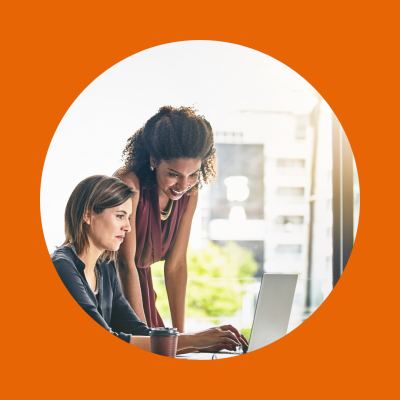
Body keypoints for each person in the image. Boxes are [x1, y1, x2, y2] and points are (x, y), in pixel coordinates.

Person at [52, 175, 248, 352]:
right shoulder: (63, 267)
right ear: (87, 215)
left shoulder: (104, 269)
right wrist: (193, 340)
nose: (128, 227)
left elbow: (137, 332)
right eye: (120, 216)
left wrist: (200, 344)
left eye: (128, 218)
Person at [115, 106, 217, 335]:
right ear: (153, 160)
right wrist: (140, 332)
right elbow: (124, 264)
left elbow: (177, 265)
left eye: (193, 175)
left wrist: (181, 335)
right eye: (174, 174)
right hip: (112, 293)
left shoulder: (190, 195)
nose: (183, 186)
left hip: (143, 295)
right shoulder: (129, 185)